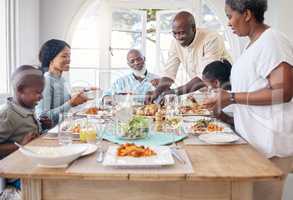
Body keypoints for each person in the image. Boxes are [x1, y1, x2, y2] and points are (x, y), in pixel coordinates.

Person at [204, 1, 293, 199]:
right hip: (255, 144)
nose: (228, 23)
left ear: (247, 14)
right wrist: (225, 112)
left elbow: (283, 92)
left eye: (230, 16)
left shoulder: (273, 41)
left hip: (271, 147)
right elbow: (253, 91)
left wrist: (231, 97)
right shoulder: (252, 45)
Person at [145, 11, 231, 103]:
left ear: (193, 28)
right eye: (175, 33)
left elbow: (207, 76)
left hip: (226, 91)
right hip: (204, 92)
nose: (178, 37)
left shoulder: (212, 38)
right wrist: (157, 91)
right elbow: (169, 73)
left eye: (182, 33)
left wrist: (175, 92)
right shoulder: (175, 43)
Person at [0, 65, 46, 190]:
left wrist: (43, 126)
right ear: (20, 90)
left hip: (32, 164)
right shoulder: (7, 115)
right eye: (38, 92)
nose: (41, 97)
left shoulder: (26, 107)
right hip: (18, 174)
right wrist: (19, 145)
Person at [36, 39, 88, 127]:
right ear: (51, 59)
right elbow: (43, 117)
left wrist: (79, 97)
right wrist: (71, 103)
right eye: (64, 56)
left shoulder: (62, 79)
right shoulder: (46, 81)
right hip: (50, 134)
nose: (68, 60)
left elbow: (62, 104)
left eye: (69, 56)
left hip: (63, 129)